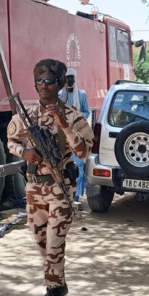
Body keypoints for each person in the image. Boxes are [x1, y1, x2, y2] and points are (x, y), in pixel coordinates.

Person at [7, 59, 94, 296]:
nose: (45, 86)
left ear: (60, 84)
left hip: (60, 188)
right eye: (40, 81)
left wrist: (64, 125)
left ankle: (53, 295)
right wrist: (25, 152)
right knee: (41, 241)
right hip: (34, 187)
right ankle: (58, 282)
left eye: (50, 81)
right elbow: (10, 140)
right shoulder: (26, 114)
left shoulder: (72, 115)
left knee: (55, 241)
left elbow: (83, 151)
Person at [59, 68, 91, 206]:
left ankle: (76, 195)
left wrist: (75, 118)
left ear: (75, 78)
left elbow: (87, 112)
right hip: (63, 135)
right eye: (68, 77)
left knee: (78, 164)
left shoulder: (82, 94)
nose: (70, 80)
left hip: (77, 134)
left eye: (72, 77)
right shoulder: (60, 95)